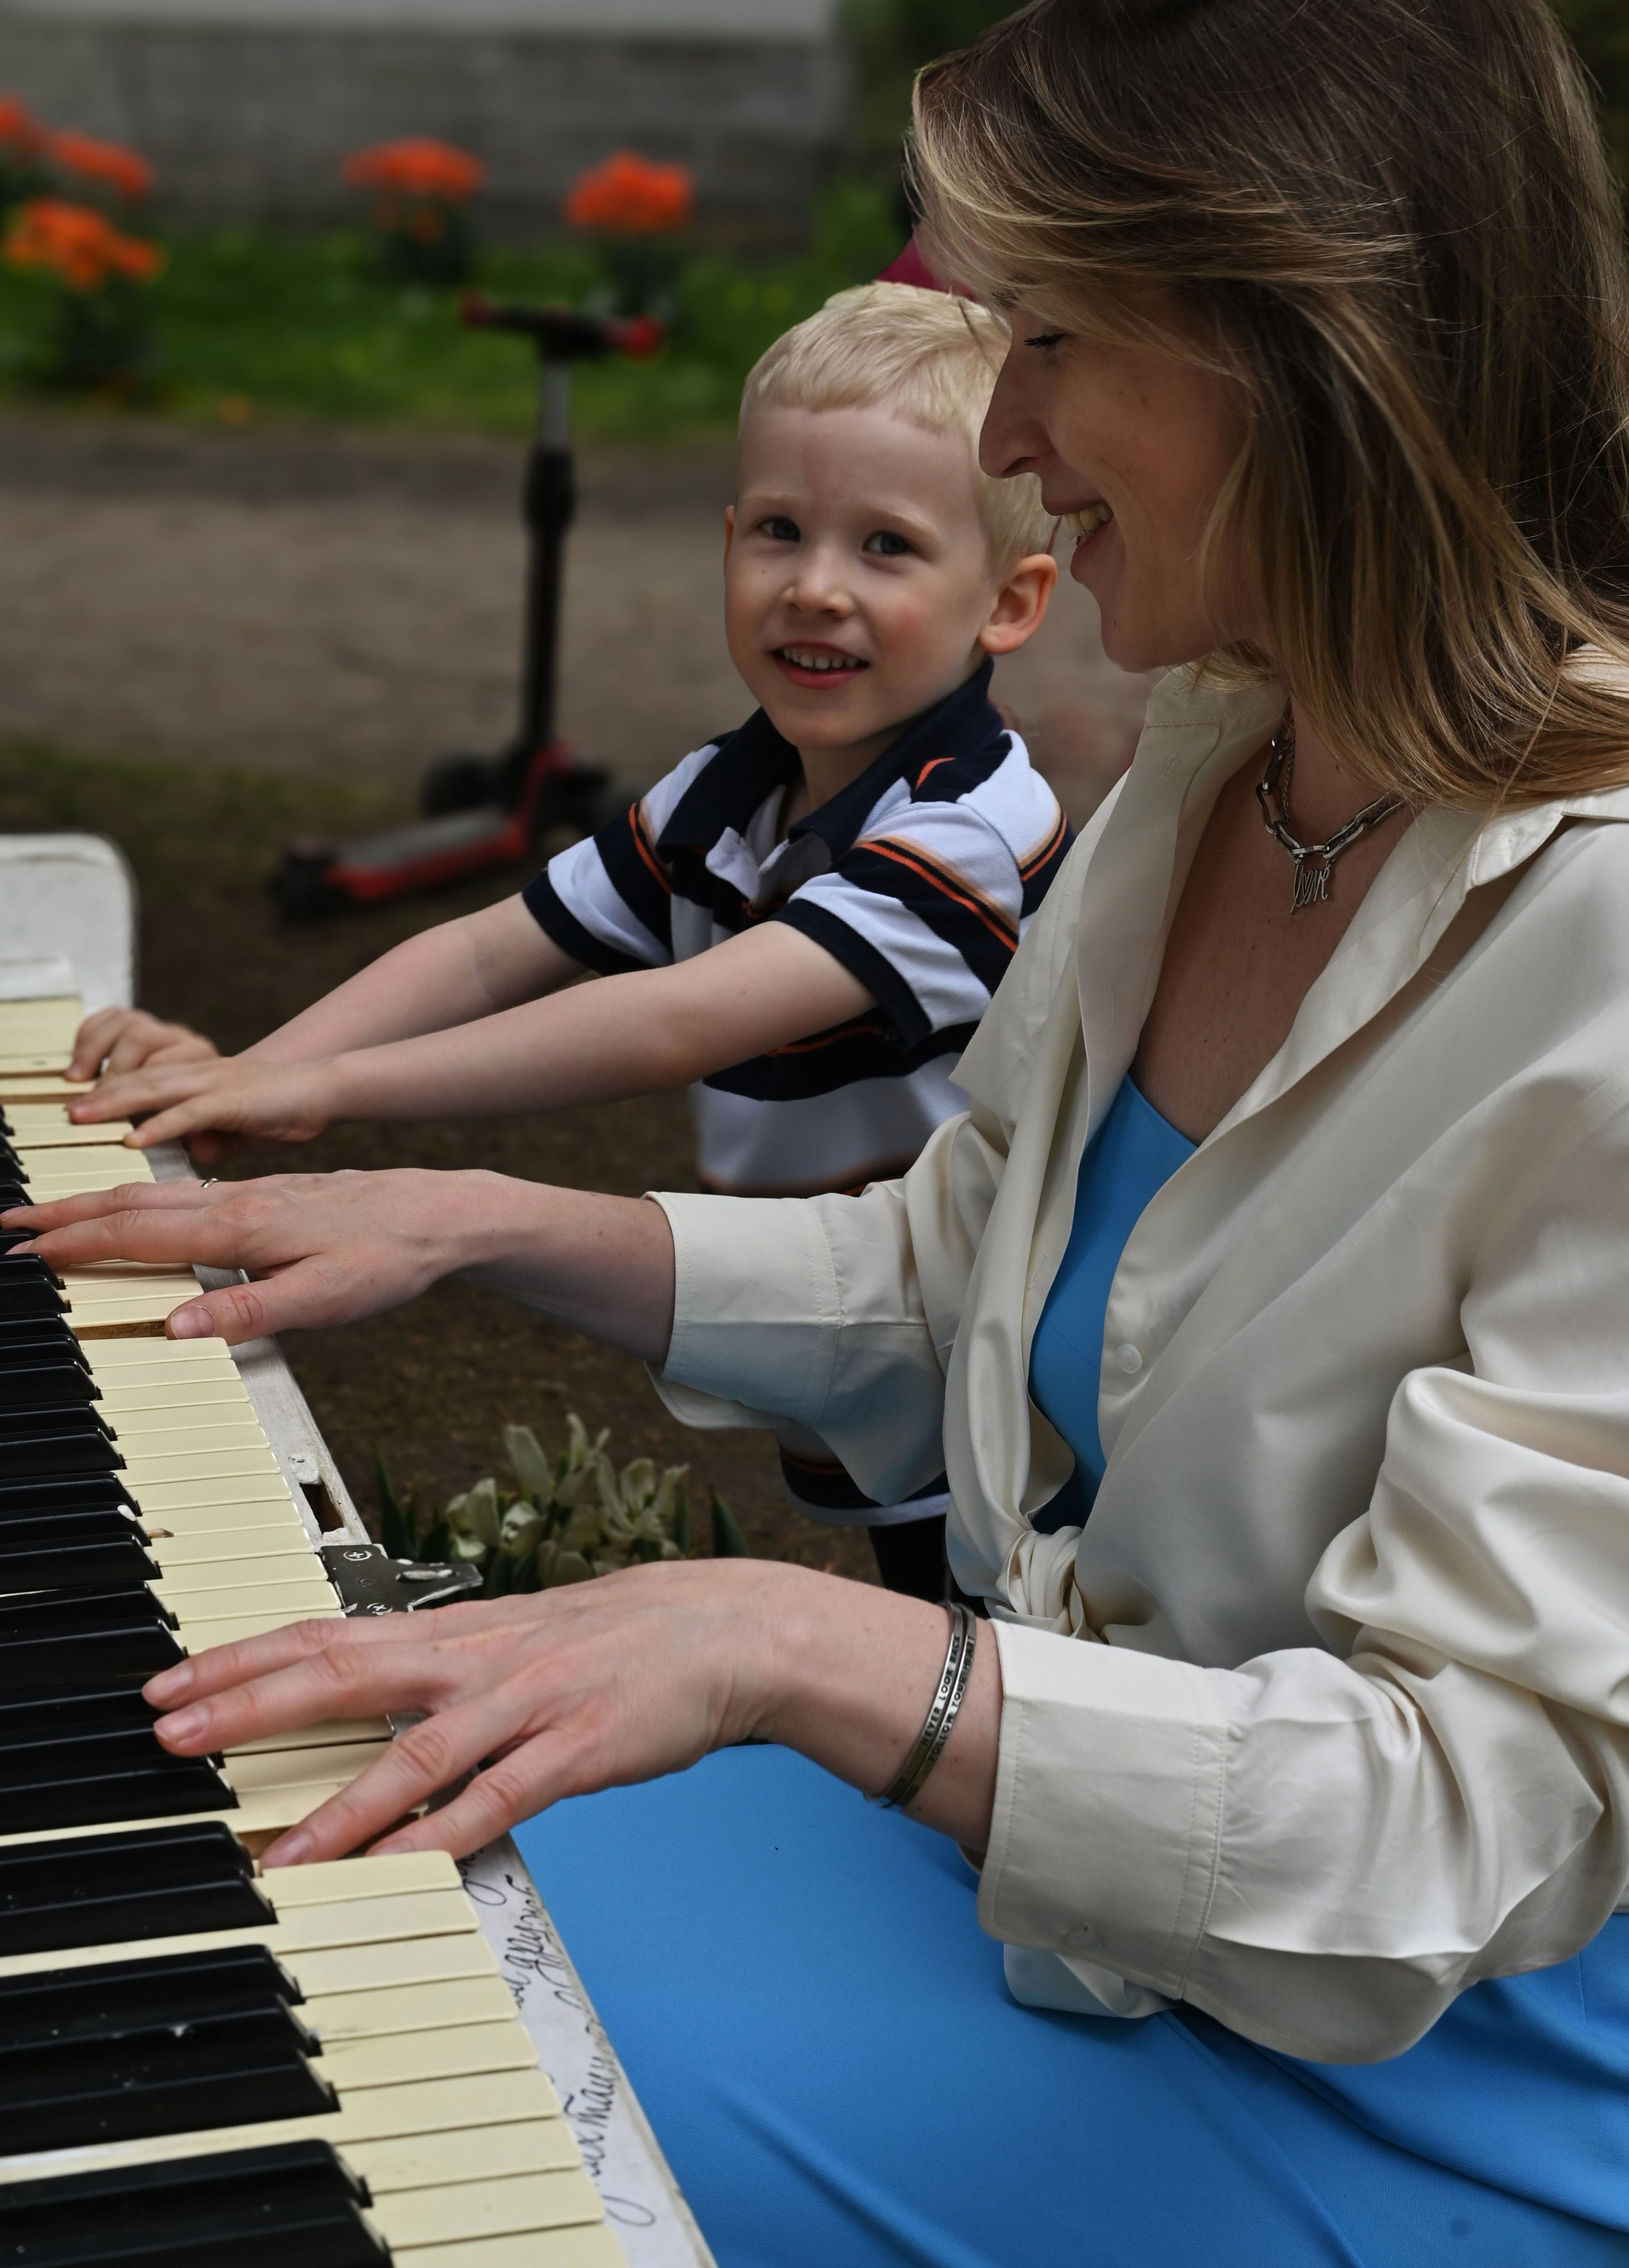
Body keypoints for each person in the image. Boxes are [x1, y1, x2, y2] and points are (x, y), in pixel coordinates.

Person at [15, 0, 1629, 2268]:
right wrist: (469, 1219)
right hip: (1029, 1903)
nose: (1005, 426)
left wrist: (804, 1640)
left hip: (1388, 2091)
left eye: (1058, 339)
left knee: (315, 2116)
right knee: (243, 1848)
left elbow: (1473, 1806)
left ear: (1310, 356)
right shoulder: (1230, 750)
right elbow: (962, 1269)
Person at [63, 280, 1066, 1595]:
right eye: (778, 530)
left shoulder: (968, 834)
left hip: (991, 1351)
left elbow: (675, 1017)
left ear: (1010, 603)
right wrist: (252, 1080)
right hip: (833, 1310)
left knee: (981, 1630)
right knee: (906, 1592)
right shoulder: (731, 789)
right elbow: (495, 948)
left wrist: (324, 1090)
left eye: (886, 547)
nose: (815, 588)